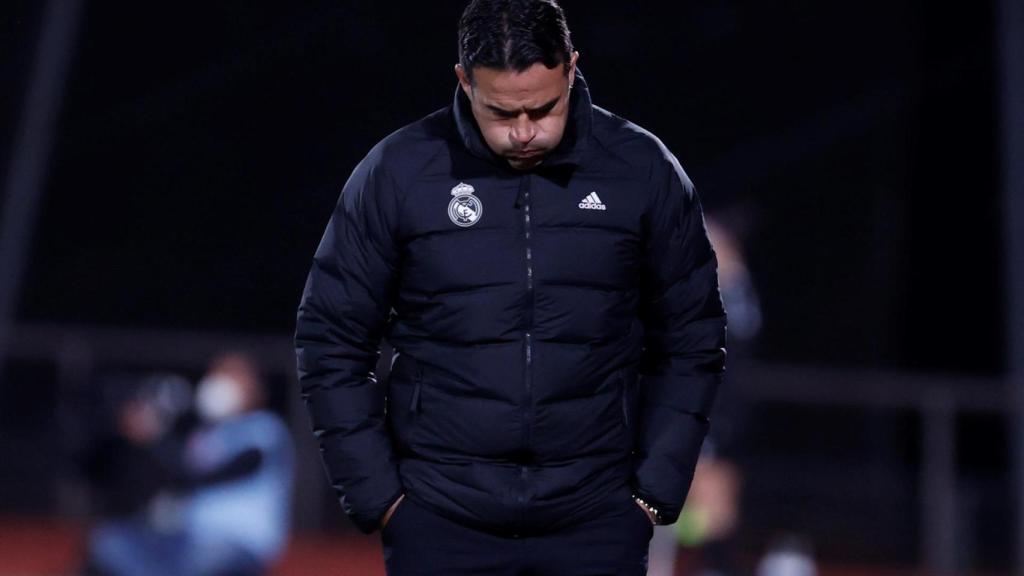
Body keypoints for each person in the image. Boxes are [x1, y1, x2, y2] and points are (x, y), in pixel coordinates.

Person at [293, 1, 727, 574]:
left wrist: (649, 498)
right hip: (439, 522)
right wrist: (383, 500)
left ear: (572, 69)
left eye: (542, 109)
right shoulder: (397, 173)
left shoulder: (643, 171)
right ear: (463, 81)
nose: (523, 132)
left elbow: (693, 341)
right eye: (501, 113)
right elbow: (330, 340)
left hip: (596, 522)